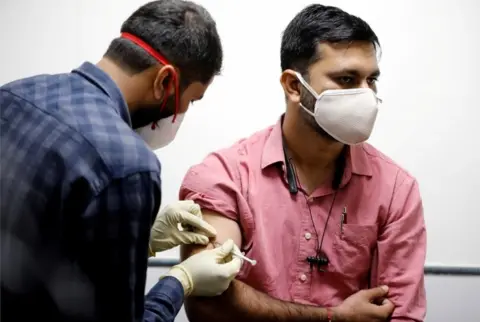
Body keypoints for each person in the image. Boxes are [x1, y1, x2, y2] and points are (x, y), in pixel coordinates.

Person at [179, 4, 426, 322]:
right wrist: (333, 316)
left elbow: (400, 315)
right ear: (294, 86)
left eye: (371, 80)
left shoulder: (396, 189)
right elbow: (209, 303)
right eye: (347, 79)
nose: (366, 96)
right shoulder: (223, 177)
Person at [0, 1, 241, 321]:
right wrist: (180, 280)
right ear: (165, 82)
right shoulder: (128, 165)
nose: (182, 113)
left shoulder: (13, 95)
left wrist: (147, 240)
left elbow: (43, 248)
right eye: (191, 100)